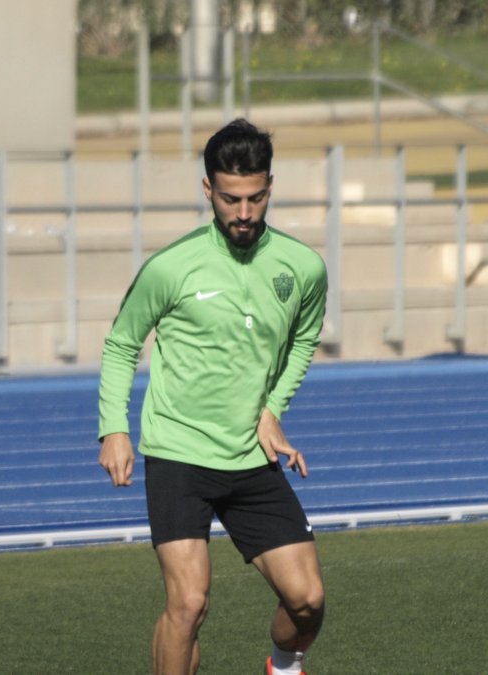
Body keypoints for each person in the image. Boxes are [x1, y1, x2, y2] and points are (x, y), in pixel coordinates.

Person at [97, 118, 327, 675]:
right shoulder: (171, 267)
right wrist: (115, 427)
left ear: (269, 187)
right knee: (190, 603)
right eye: (230, 199)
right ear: (208, 191)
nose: (243, 213)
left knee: (307, 600)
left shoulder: (303, 268)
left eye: (254, 197)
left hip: (251, 456)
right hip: (178, 454)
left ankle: (283, 668)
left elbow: (304, 338)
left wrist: (272, 412)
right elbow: (121, 343)